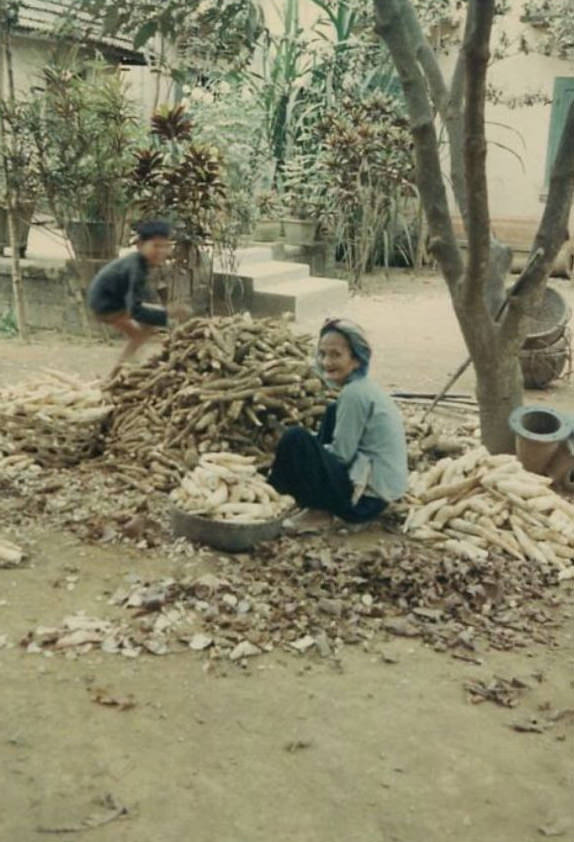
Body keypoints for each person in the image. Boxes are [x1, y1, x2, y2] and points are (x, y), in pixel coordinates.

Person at [269, 318, 408, 532]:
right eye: (323, 354)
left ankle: (317, 511)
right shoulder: (363, 388)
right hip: (379, 497)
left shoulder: (354, 394)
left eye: (336, 355)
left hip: (364, 503)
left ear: (357, 359)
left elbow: (342, 455)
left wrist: (308, 457)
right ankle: (294, 499)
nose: (326, 362)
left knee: (295, 438)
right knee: (331, 413)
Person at [87, 219, 189, 378]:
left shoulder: (140, 263)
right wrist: (167, 313)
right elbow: (134, 309)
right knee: (147, 327)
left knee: (141, 333)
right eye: (156, 246)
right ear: (140, 245)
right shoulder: (135, 268)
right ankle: (121, 370)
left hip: (109, 300)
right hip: (106, 304)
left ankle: (124, 368)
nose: (161, 251)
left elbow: (141, 297)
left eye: (165, 246)